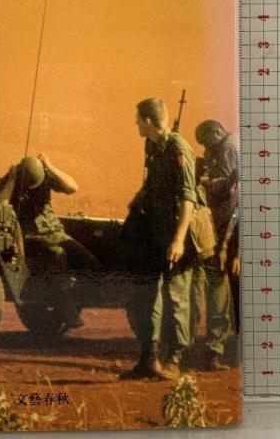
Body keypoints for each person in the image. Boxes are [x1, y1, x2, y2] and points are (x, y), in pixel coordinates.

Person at [120, 97, 197, 380]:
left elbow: (188, 198)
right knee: (149, 293)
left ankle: (174, 358)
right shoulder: (151, 145)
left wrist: (178, 240)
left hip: (176, 230)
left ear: (148, 121)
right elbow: (152, 182)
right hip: (154, 228)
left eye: (138, 120)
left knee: (176, 296)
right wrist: (137, 202)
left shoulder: (179, 148)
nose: (136, 124)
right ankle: (149, 359)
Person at [0, 153, 97, 331]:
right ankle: (67, 308)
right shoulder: (13, 178)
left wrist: (50, 166)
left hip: (56, 233)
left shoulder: (44, 174)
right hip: (32, 237)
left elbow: (72, 187)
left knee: (88, 261)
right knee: (57, 256)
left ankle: (76, 298)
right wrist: (11, 180)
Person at [192, 120, 240, 370]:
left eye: (206, 142)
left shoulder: (227, 149)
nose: (205, 148)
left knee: (217, 283)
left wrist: (200, 182)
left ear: (216, 133)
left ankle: (214, 349)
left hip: (225, 226)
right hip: (222, 224)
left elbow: (224, 187)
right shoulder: (225, 147)